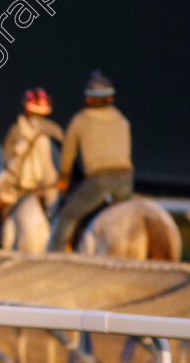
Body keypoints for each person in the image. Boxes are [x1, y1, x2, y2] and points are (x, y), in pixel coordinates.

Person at [47, 71, 133, 252]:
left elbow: (68, 153)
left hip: (98, 180)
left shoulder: (81, 120)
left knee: (68, 215)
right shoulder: (122, 119)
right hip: (126, 178)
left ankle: (55, 253)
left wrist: (63, 176)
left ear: (89, 99)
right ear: (110, 98)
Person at [0, 87, 64, 205]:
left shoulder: (17, 128)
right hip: (53, 186)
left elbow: (7, 157)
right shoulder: (55, 129)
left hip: (22, 187)